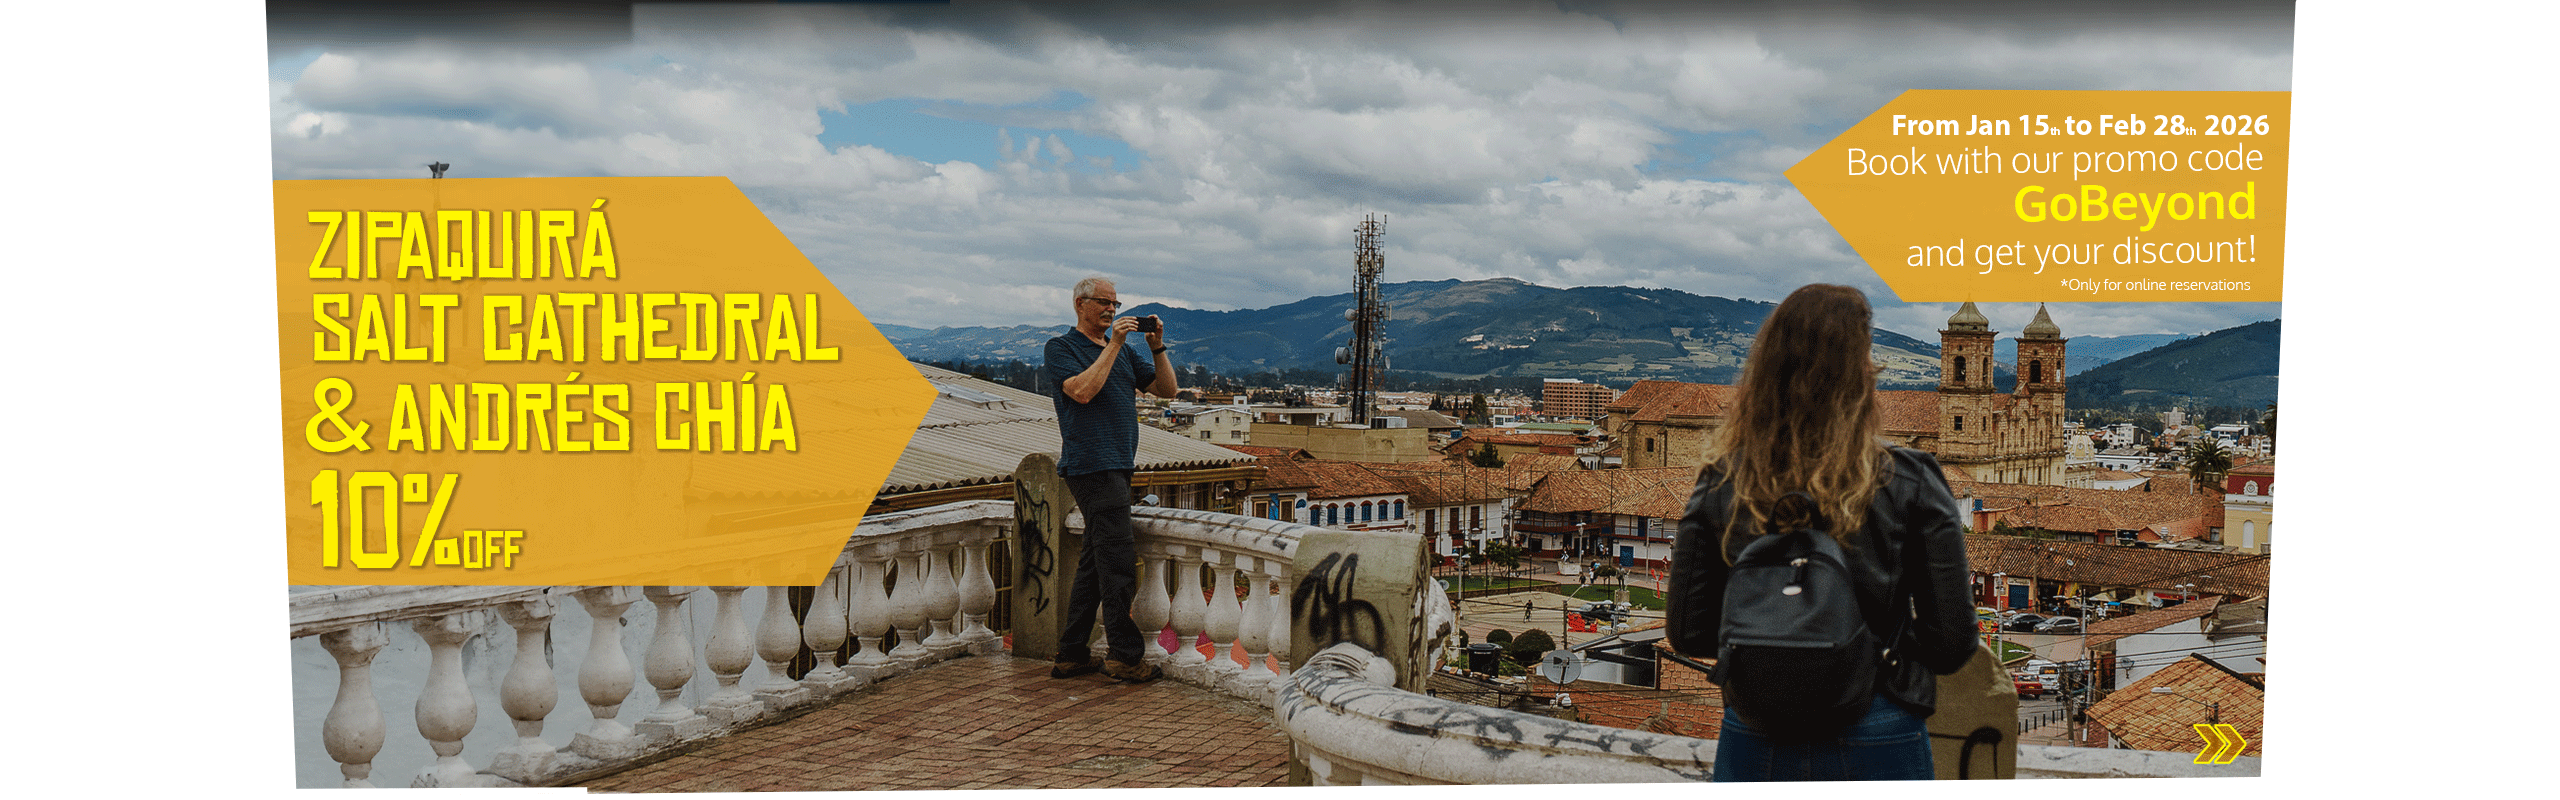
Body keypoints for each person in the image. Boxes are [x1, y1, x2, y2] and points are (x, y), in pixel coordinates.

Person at [1665, 284, 1977, 781]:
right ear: (1861, 377)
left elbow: (1689, 631)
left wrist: (1776, 649)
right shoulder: (1911, 481)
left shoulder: (1722, 481)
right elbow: (1952, 641)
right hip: (1880, 723)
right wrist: (1871, 653)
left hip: (1756, 728)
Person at [1043, 276, 1178, 683]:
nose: (1111, 310)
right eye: (1103, 302)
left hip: (1117, 464)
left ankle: (1071, 653)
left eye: (1115, 304)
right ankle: (1123, 655)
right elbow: (1081, 392)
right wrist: (1116, 344)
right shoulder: (1061, 348)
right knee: (1118, 562)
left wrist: (1156, 346)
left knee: (1094, 563)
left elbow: (1168, 391)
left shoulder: (1123, 352)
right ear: (1080, 304)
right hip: (1091, 465)